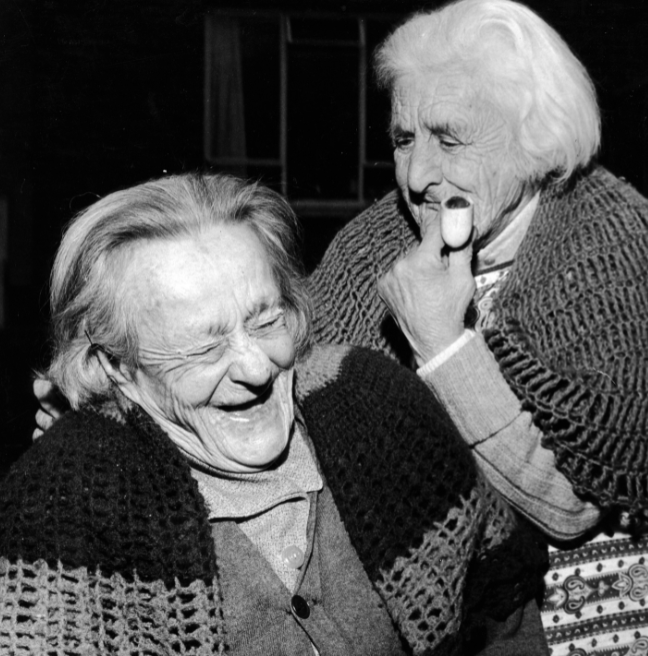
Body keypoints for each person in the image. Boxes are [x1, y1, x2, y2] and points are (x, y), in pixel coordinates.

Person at [0, 173, 547, 655]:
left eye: (266, 321)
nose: (257, 368)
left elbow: (501, 612)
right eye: (204, 346)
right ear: (115, 365)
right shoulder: (62, 507)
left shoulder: (375, 404)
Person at [307, 0, 648, 654]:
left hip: (592, 632)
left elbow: (571, 510)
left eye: (449, 138)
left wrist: (442, 345)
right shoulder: (366, 252)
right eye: (404, 140)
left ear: (535, 141)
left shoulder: (615, 249)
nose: (415, 176)